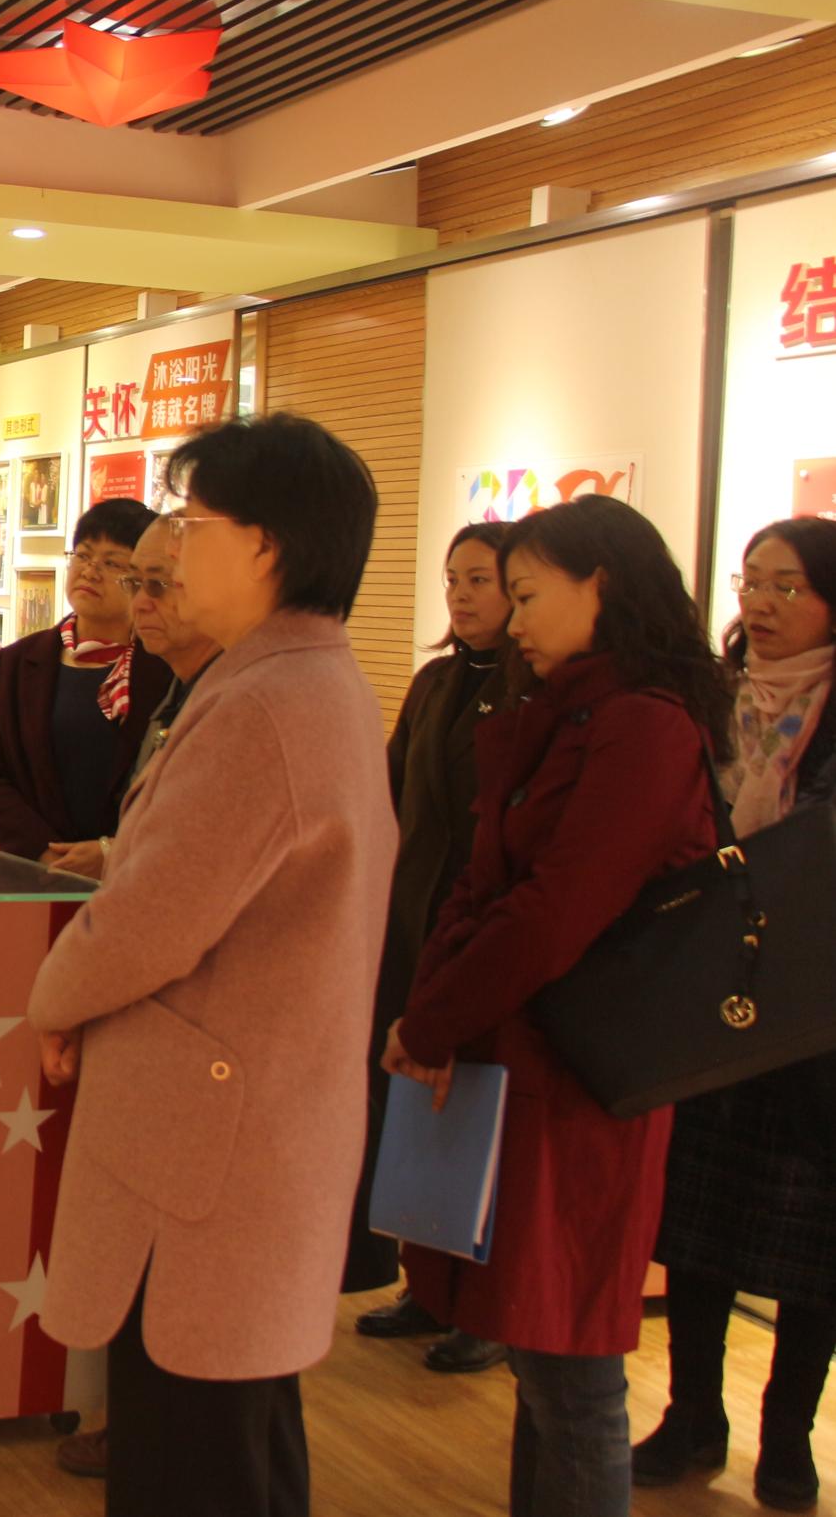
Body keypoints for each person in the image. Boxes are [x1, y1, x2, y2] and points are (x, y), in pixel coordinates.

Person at [27, 414, 398, 1516]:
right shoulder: (297, 681)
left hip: (206, 1150)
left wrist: (53, 1000)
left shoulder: (265, 703)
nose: (174, 552)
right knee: (238, 1436)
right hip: (245, 1132)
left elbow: (150, 919)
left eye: (194, 524)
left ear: (267, 544)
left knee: (190, 1452)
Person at [387, 494, 729, 1517]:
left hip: (583, 1084)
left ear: (602, 586)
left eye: (528, 594)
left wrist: (432, 1018)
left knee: (571, 1368)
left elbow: (555, 910)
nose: (513, 617)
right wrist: (432, 1006)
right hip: (515, 1061)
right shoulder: (552, 711)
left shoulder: (645, 725)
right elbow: (480, 876)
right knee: (538, 1362)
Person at [641, 516, 836, 1512]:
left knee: (813, 1241)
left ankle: (788, 1434)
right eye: (750, 582)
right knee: (700, 1223)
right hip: (710, 996)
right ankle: (691, 1414)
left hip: (816, 1015)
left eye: (786, 586)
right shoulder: (712, 701)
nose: (759, 603)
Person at [51, 511, 224, 1483]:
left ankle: (149, 1443)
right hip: (140, 1010)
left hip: (196, 1046)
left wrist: (60, 1001)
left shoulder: (243, 702)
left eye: (155, 580)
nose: (139, 598)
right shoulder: (190, 694)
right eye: (133, 577)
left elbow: (172, 884)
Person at [352, 522, 519, 1377]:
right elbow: (388, 793)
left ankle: (482, 1306)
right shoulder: (435, 682)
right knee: (409, 1106)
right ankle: (426, 1286)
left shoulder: (534, 693)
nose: (460, 594)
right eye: (453, 578)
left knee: (478, 1115)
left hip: (482, 930)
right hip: (410, 924)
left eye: (480, 579)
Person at [0, 498, 174, 870]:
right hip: (35, 875)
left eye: (111, 563)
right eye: (83, 555)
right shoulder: (18, 662)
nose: (90, 571)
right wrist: (45, 853)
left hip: (132, 873)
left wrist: (111, 852)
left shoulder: (166, 665)